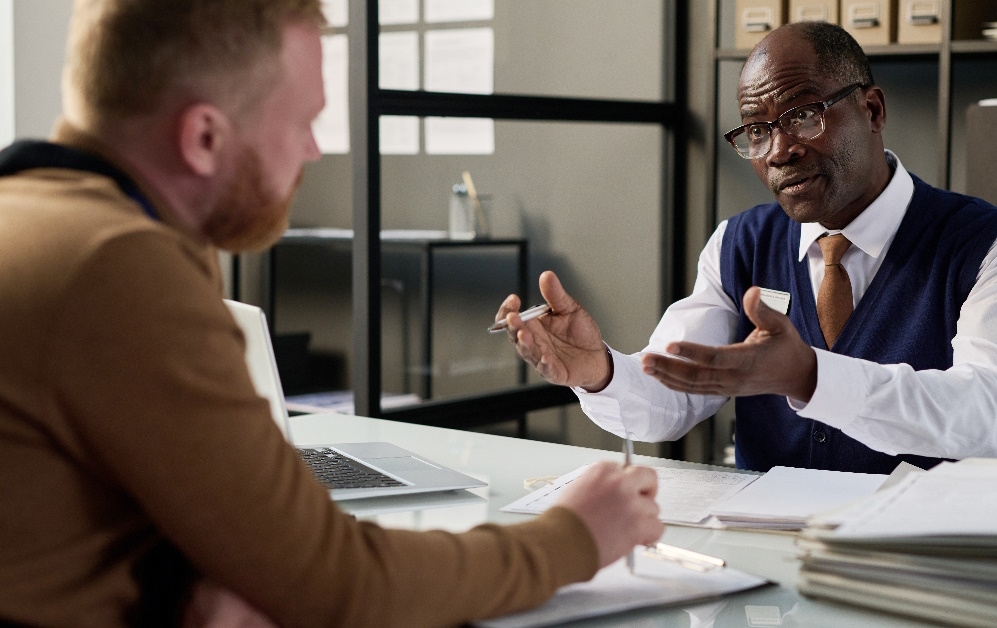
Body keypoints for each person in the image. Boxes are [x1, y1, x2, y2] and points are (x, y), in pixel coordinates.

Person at [0, 1, 663, 626]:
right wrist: (574, 537)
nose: (313, 152)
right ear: (203, 136)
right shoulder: (118, 266)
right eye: (303, 123)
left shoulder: (36, 216)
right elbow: (337, 582)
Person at [498, 21, 997, 475]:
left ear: (873, 110)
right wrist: (599, 372)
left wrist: (810, 376)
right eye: (757, 131)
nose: (779, 151)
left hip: (924, 554)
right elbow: (676, 393)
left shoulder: (993, 244)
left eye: (803, 116)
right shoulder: (739, 244)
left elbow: (996, 414)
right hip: (768, 553)